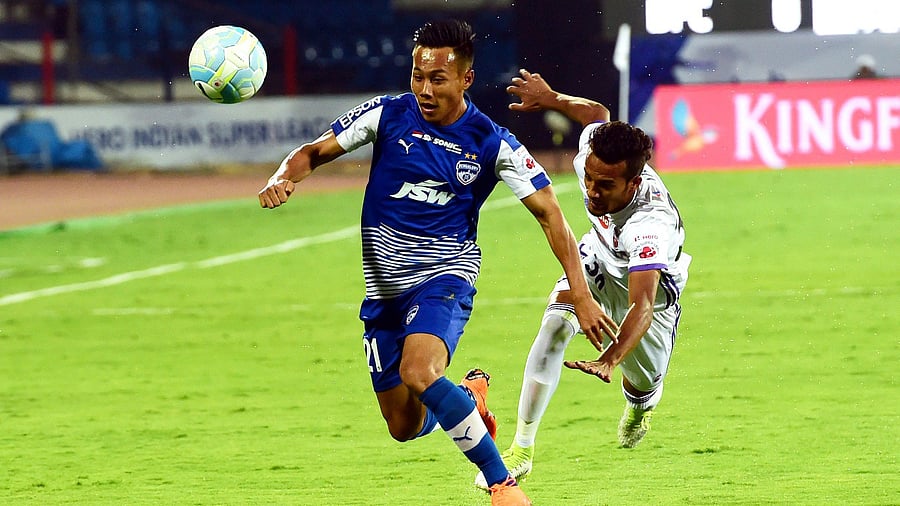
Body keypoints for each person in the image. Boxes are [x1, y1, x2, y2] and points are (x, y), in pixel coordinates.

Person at [258, 21, 614, 506]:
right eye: (418, 75)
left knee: (420, 372)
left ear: (466, 79)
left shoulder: (493, 143)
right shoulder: (387, 114)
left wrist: (581, 292)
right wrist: (285, 176)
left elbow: (551, 214)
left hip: (445, 273)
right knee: (402, 427)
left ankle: (501, 483)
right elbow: (313, 152)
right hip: (383, 291)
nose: (425, 88)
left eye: (438, 78)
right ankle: (469, 400)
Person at [475, 69, 691, 489]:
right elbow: (597, 112)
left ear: (634, 181)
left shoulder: (650, 223)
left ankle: (641, 405)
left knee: (643, 382)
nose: (591, 190)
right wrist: (551, 95)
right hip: (598, 259)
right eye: (588, 179)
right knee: (554, 327)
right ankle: (521, 450)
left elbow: (641, 304)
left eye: (605, 185)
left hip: (648, 292)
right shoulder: (593, 155)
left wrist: (609, 358)